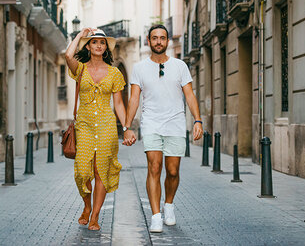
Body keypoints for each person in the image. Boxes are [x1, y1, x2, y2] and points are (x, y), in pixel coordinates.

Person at [122, 24, 203, 233]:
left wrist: (197, 120)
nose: (159, 41)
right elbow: (134, 99)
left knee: (173, 171)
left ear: (167, 41)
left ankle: (169, 205)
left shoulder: (180, 66)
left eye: (162, 38)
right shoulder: (139, 68)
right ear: (149, 41)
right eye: (155, 38)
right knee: (154, 167)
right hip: (151, 123)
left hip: (175, 123)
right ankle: (156, 215)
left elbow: (190, 95)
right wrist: (127, 126)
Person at [65, 28, 129, 231]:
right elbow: (68, 55)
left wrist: (126, 127)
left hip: (107, 126)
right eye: (94, 42)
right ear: (88, 46)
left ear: (106, 48)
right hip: (83, 125)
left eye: (102, 42)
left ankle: (95, 215)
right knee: (82, 171)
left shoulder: (114, 73)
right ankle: (86, 206)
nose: (99, 45)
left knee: (101, 170)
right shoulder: (80, 69)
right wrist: (80, 35)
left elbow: (118, 104)